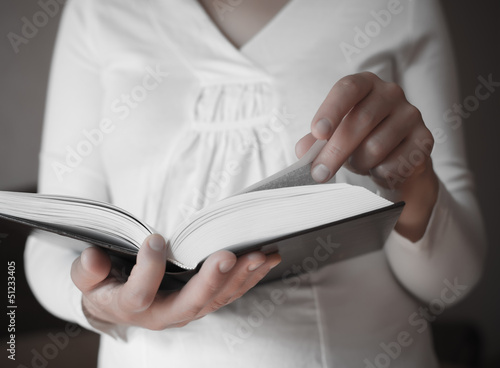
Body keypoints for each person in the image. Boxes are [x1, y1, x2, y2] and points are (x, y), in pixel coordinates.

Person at [25, 0, 487, 367]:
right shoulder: (98, 11)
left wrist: (416, 186)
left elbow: (451, 281)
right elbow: (51, 242)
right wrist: (102, 304)